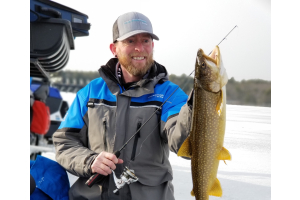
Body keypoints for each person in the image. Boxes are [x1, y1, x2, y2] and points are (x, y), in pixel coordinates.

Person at [52, 11, 193, 200]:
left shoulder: (170, 94)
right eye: (130, 41)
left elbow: (184, 144)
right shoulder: (90, 93)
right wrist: (90, 161)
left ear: (152, 45)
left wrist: (196, 108)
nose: (139, 48)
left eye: (146, 41)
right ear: (114, 48)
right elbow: (64, 142)